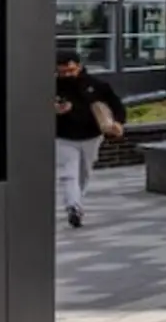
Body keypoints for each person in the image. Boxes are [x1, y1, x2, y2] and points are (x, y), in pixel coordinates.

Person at [54, 50, 126, 229]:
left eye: (70, 70)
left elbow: (116, 105)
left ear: (79, 66)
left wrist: (118, 122)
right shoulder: (51, 86)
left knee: (84, 173)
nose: (67, 75)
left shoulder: (97, 85)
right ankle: (73, 206)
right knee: (68, 173)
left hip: (91, 136)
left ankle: (77, 202)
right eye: (62, 72)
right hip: (63, 137)